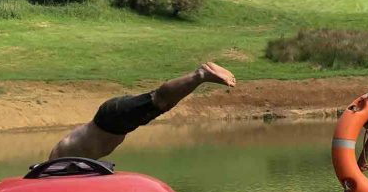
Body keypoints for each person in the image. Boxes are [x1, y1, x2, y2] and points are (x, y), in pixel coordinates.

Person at [49, 62, 236, 160]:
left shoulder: (57, 165)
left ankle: (201, 74)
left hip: (111, 120)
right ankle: (202, 75)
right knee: (163, 105)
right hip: (114, 122)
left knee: (158, 101)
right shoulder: (64, 165)